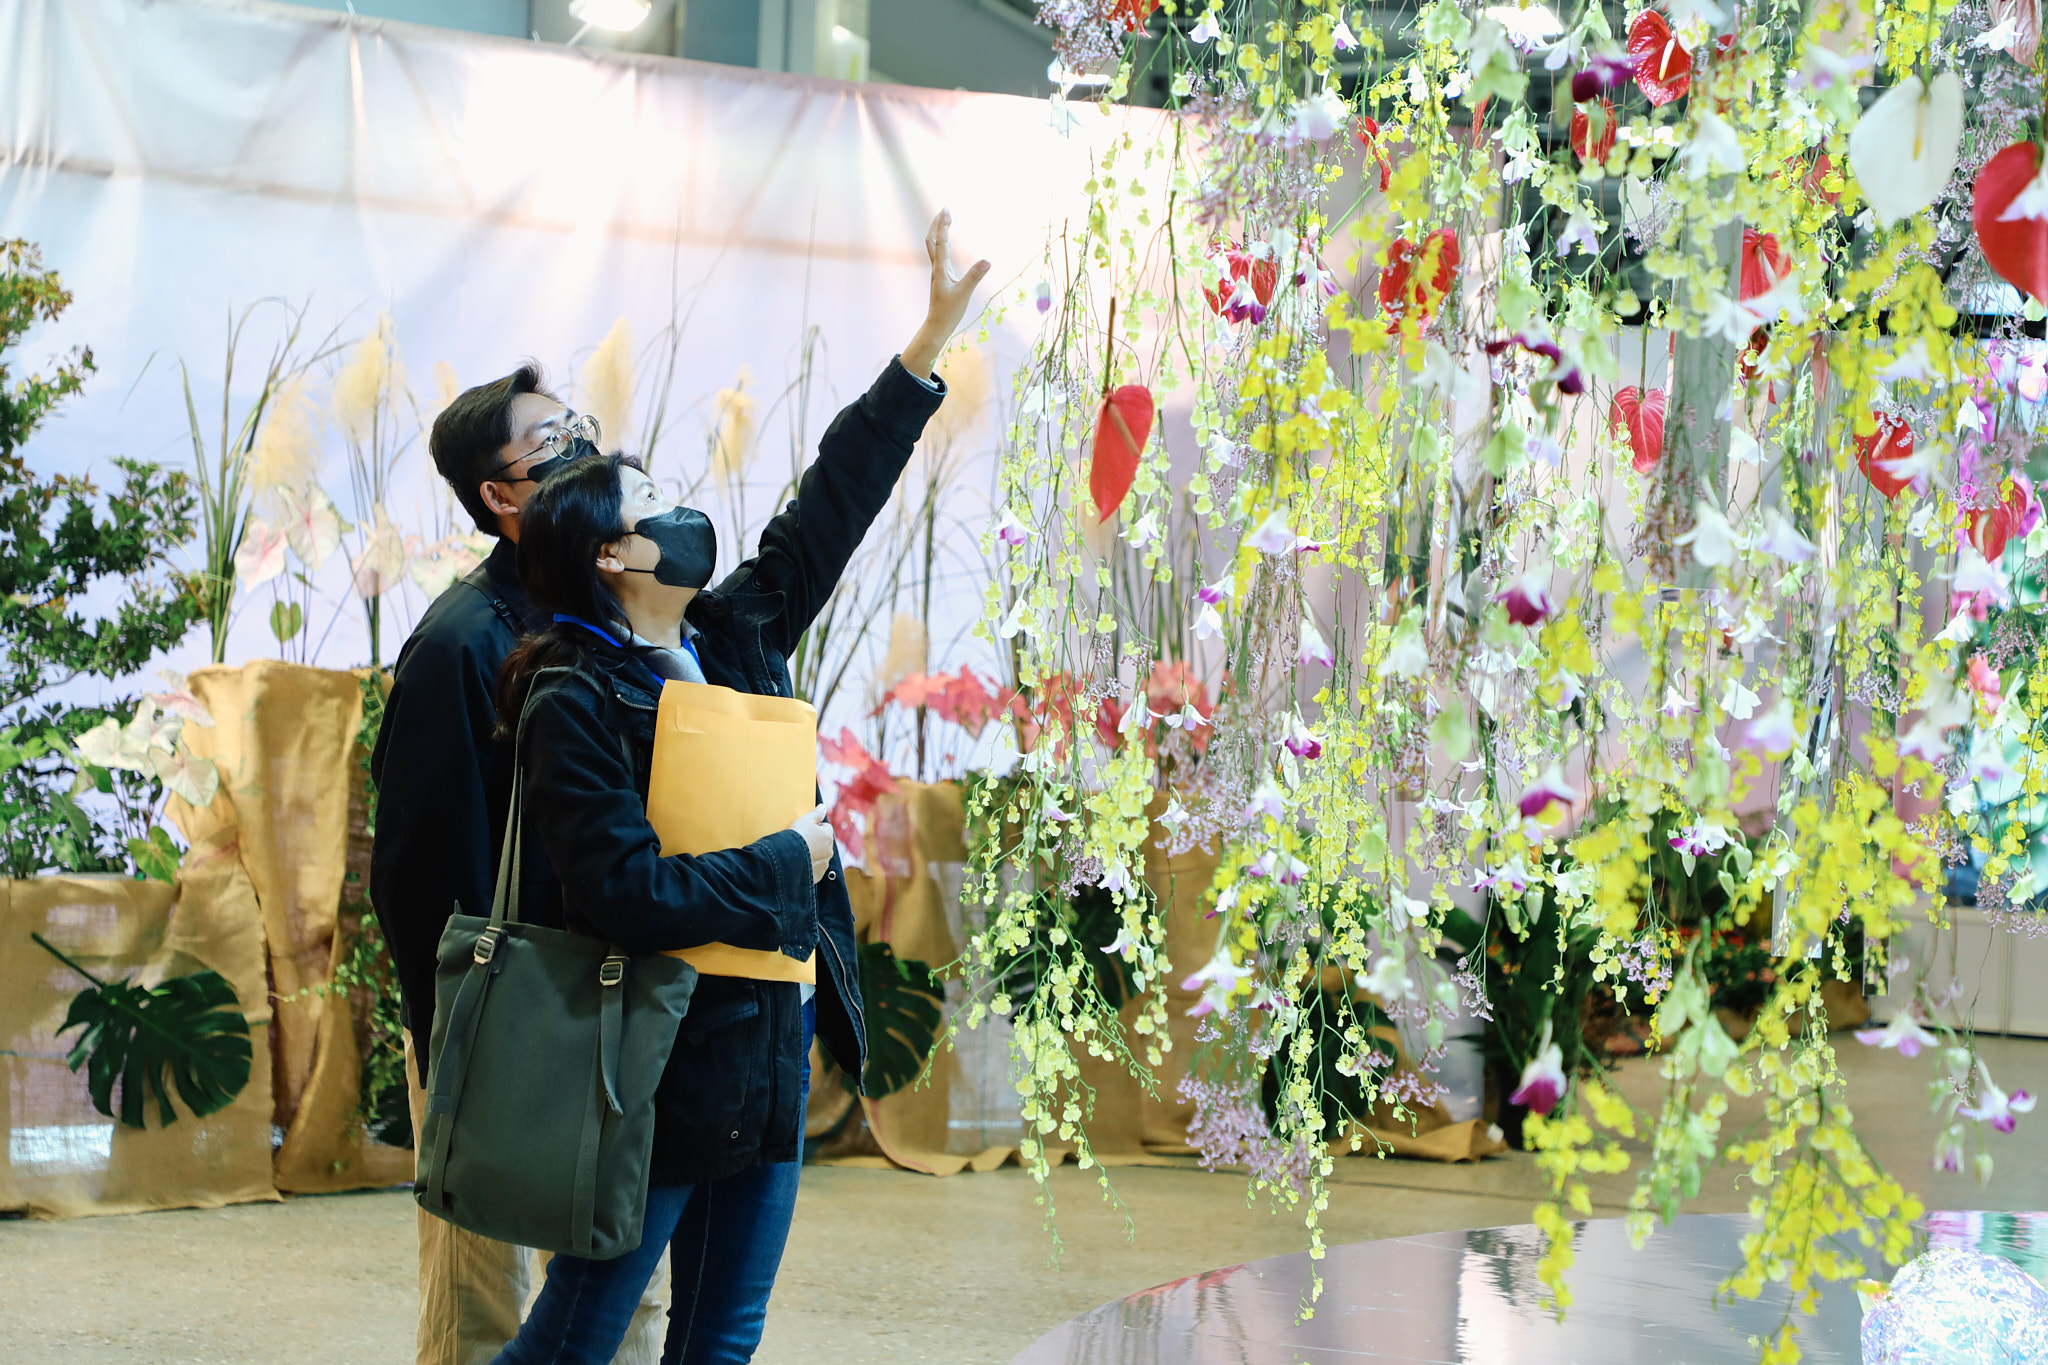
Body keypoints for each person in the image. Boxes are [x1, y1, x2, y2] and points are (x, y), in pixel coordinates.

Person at [483, 212, 987, 1365]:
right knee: (576, 1333)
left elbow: (831, 503)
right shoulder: (572, 697)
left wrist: (924, 346)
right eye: (650, 507)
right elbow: (623, 892)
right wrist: (786, 864)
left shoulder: (736, 632)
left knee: (723, 1338)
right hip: (649, 1053)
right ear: (612, 556)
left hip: (766, 1033)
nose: (682, 514)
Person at [370, 356, 665, 1365]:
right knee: (480, 1298)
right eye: (554, 444)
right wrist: (458, 1038)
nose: (584, 451)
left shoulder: (621, 612)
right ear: (500, 495)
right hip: (498, 1015)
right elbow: (416, 868)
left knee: (622, 1288)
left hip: (609, 1000)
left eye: (582, 428)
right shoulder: (460, 642)